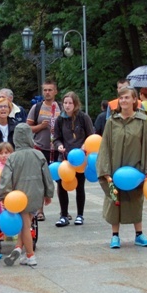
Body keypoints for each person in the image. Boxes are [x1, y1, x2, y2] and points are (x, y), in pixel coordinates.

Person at [96, 86, 147, 248]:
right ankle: (115, 235)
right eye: (121, 98)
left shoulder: (141, 121)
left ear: (134, 100)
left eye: (127, 97)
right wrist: (105, 170)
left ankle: (139, 234)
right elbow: (105, 146)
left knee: (135, 200)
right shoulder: (112, 122)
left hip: (134, 168)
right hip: (115, 168)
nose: (123, 100)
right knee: (114, 199)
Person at [0, 123, 54, 266]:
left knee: (24, 227)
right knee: (27, 224)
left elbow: (5, 179)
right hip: (36, 194)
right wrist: (48, 194)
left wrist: (3, 196)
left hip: (19, 197)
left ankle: (30, 256)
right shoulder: (39, 154)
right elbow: (47, 176)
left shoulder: (13, 157)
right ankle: (19, 248)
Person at [53, 91, 95, 226]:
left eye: (70, 103)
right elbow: (56, 138)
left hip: (80, 158)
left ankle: (80, 215)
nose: (67, 105)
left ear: (75, 104)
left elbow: (91, 136)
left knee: (79, 186)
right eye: (65, 103)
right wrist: (59, 146)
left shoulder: (83, 117)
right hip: (64, 158)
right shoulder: (60, 119)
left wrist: (84, 146)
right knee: (62, 185)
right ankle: (63, 215)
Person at [26, 79, 61, 220]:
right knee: (39, 180)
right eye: (45, 90)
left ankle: (63, 211)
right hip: (40, 147)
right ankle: (39, 211)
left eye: (50, 90)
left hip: (58, 148)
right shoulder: (37, 107)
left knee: (61, 180)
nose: (47, 92)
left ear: (55, 91)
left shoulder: (61, 108)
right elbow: (27, 128)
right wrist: (40, 127)